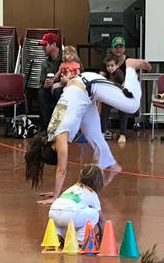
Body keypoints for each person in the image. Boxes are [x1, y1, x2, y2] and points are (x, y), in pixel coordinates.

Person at [27, 57, 144, 200]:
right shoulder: (50, 133)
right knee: (94, 137)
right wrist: (56, 191)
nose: (65, 151)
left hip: (88, 84)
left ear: (55, 148)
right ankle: (112, 165)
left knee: (132, 106)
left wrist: (56, 196)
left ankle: (130, 67)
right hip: (80, 93)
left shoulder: (60, 137)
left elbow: (61, 170)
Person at [48, 163, 103, 247]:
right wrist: (102, 232)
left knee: (62, 214)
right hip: (70, 215)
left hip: (53, 212)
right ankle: (80, 239)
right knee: (94, 214)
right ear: (98, 181)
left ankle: (58, 235)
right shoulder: (92, 193)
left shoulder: (72, 188)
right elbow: (100, 218)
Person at [37, 30, 66, 128]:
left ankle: (59, 127)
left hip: (65, 89)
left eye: (45, 45)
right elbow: (41, 82)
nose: (43, 48)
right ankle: (45, 128)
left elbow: (78, 76)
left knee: (58, 91)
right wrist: (44, 84)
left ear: (53, 45)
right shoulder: (44, 63)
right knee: (41, 92)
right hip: (50, 90)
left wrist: (60, 83)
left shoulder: (67, 59)